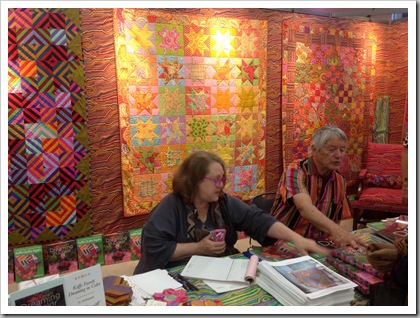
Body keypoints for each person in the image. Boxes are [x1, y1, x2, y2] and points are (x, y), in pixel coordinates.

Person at [133, 151, 330, 274]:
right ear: (194, 181)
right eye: (216, 180)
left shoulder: (223, 202)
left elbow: (258, 220)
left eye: (223, 179)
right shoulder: (170, 207)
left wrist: (297, 239)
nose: (222, 185)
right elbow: (155, 248)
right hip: (173, 275)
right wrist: (198, 248)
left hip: (216, 273)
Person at [269, 125, 367, 249]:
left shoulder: (339, 180)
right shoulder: (296, 171)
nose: (338, 155)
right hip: (286, 241)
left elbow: (335, 219)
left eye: (342, 150)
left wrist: (335, 237)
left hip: (318, 243)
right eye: (332, 149)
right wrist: (336, 231)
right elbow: (304, 207)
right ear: (314, 150)